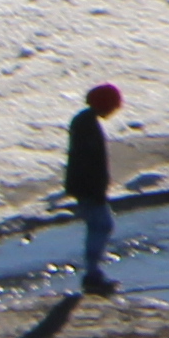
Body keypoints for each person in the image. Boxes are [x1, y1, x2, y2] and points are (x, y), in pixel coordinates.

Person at [64, 83, 118, 294]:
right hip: (89, 189)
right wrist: (97, 190)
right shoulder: (87, 125)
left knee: (100, 226)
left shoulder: (85, 121)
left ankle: (93, 273)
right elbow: (89, 162)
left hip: (87, 188)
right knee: (101, 226)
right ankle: (92, 274)